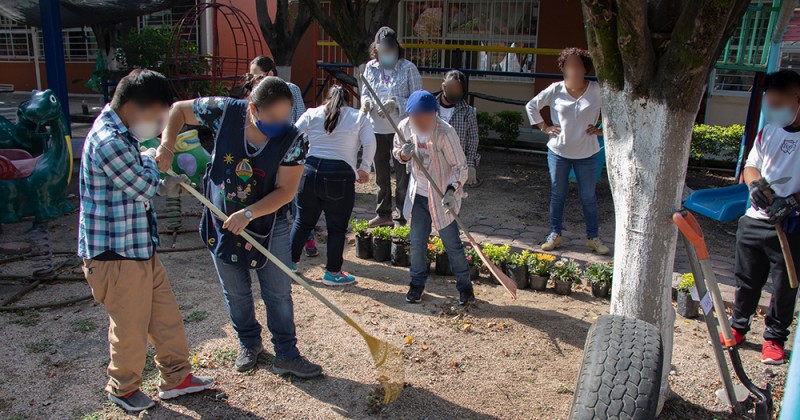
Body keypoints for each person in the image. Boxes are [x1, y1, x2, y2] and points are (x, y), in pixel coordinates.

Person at [157, 76, 322, 377]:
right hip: (221, 219)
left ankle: (286, 352)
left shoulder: (294, 139)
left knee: (278, 291)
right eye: (272, 117)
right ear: (252, 109)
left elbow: (286, 191)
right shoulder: (224, 112)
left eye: (285, 117)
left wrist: (248, 212)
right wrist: (167, 145)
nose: (280, 124)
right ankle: (249, 343)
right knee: (236, 291)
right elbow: (179, 110)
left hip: (268, 223)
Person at [78, 69, 213, 412]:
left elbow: (141, 170)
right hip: (114, 254)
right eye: (156, 118)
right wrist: (157, 161)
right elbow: (142, 186)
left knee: (165, 316)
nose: (157, 127)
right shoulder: (108, 139)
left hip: (138, 248)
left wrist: (150, 161)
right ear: (136, 108)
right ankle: (122, 388)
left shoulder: (124, 136)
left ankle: (177, 376)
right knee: (131, 326)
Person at [726, 69, 800, 364]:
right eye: (770, 104)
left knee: (785, 285)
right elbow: (751, 165)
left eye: (779, 103)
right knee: (746, 278)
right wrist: (755, 183)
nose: (773, 110)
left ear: (797, 98)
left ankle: (774, 339)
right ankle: (738, 327)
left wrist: (792, 201)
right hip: (755, 219)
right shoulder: (768, 131)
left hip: (789, 224)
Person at [525, 47, 609, 255]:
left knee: (588, 196)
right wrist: (544, 127)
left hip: (587, 153)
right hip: (558, 152)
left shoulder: (597, 90)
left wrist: (602, 130)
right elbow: (531, 106)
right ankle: (555, 234)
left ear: (585, 69)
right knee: (558, 194)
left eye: (578, 65)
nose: (573, 69)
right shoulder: (556, 89)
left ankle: (593, 237)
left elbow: (617, 111)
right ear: (563, 68)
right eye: (569, 65)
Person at [392, 90, 473, 305]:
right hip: (418, 195)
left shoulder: (445, 133)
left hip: (441, 197)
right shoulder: (404, 128)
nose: (420, 121)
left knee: (452, 244)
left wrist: (451, 190)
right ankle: (416, 284)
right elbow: (397, 152)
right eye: (415, 116)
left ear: (434, 114)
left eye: (425, 117)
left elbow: (460, 167)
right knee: (417, 242)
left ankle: (465, 288)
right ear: (409, 114)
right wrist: (404, 154)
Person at [290, 85, 376, 284]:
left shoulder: (312, 113)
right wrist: (364, 167)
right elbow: (370, 143)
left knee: (302, 222)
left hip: (309, 170)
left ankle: (289, 264)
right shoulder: (358, 117)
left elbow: (292, 135)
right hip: (340, 173)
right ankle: (333, 272)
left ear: (326, 98)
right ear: (347, 101)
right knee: (337, 228)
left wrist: (294, 161)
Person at [249, 55, 318, 258]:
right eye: (252, 77)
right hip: (265, 157)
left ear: (270, 74)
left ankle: (308, 239)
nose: (254, 80)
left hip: (289, 152)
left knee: (296, 198)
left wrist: (289, 142)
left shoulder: (290, 90)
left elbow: (299, 119)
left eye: (258, 76)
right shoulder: (254, 96)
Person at [361, 26, 423, 227]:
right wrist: (366, 103)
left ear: (397, 49)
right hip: (376, 130)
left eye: (391, 51)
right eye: (383, 52)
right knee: (381, 175)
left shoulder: (408, 68)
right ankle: (383, 212)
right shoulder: (370, 68)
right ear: (376, 51)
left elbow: (417, 99)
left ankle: (402, 214)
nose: (387, 55)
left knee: (403, 174)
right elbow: (365, 93)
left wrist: (396, 102)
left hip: (401, 131)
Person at [436, 70, 480, 185]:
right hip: (433, 163)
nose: (454, 93)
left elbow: (473, 139)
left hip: (456, 167)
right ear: (444, 87)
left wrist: (470, 165)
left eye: (458, 90)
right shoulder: (430, 106)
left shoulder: (467, 111)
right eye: (452, 88)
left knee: (452, 199)